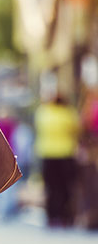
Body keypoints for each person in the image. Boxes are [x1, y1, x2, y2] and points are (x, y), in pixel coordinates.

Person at [34, 93, 81, 228]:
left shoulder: (43, 113)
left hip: (47, 153)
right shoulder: (69, 113)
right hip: (66, 153)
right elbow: (76, 130)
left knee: (50, 187)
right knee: (65, 187)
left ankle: (51, 216)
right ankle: (65, 216)